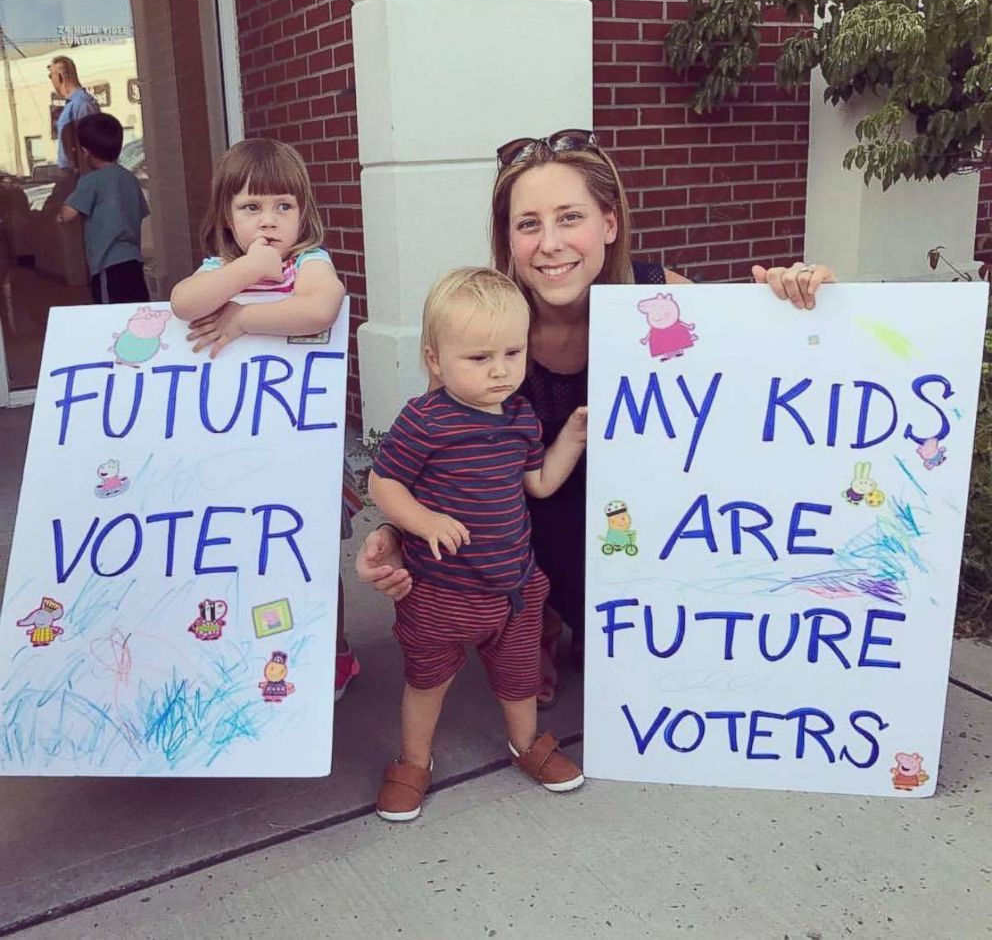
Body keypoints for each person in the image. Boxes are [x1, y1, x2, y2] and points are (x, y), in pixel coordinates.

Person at [357, 128, 838, 708]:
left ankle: (602, 620)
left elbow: (765, 389)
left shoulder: (663, 298)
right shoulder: (486, 326)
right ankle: (535, 618)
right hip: (532, 530)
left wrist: (798, 304)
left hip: (648, 523)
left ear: (609, 224)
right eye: (528, 223)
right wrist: (397, 533)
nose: (550, 243)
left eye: (570, 217)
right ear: (507, 239)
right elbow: (446, 462)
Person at [369, 267, 588, 822]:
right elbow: (384, 481)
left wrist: (570, 438)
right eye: (479, 358)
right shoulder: (426, 419)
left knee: (518, 681)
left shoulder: (520, 418)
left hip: (512, 589)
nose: (500, 371)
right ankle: (413, 761)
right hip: (441, 591)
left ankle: (526, 744)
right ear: (435, 359)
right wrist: (421, 521)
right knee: (427, 682)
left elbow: (537, 484)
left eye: (513, 354)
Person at [170, 137, 362, 701]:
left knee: (313, 553)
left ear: (303, 211)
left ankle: (335, 652)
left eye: (283, 206)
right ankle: (259, 648)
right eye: (251, 208)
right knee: (252, 557)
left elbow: (319, 307)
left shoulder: (310, 263)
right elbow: (184, 303)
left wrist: (243, 319)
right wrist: (248, 268)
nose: (269, 221)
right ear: (226, 216)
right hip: (237, 453)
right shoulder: (218, 269)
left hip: (300, 450)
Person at [57, 113, 150, 304]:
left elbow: (68, 214)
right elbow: (140, 213)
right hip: (134, 262)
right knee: (134, 311)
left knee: (109, 318)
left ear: (85, 151)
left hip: (107, 264)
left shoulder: (91, 181)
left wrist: (59, 215)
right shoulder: (129, 179)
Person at [48, 56, 100, 175]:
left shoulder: (82, 104)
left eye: (51, 76)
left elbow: (91, 147)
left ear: (60, 77)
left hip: (81, 176)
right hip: (72, 175)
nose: (51, 81)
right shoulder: (71, 105)